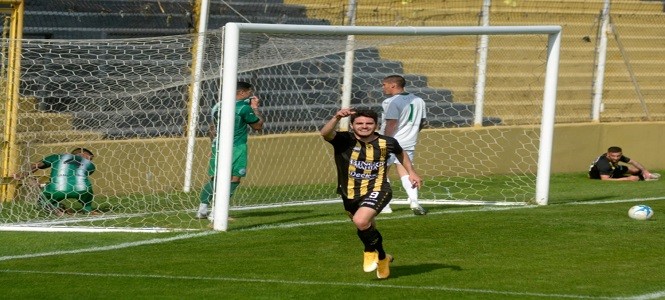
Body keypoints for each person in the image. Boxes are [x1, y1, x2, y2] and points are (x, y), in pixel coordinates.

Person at [320, 108, 423, 279]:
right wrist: (337, 117)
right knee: (367, 226)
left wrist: (411, 172)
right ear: (352, 125)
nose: (364, 126)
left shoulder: (387, 142)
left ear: (376, 125)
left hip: (378, 189)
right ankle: (384, 257)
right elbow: (325, 133)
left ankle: (375, 253)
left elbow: (400, 153)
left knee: (360, 220)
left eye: (369, 123)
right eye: (359, 123)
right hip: (350, 193)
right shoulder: (344, 140)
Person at [196, 81, 264, 219]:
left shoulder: (217, 106)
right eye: (249, 92)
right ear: (242, 92)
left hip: (218, 145)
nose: (251, 95)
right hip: (236, 147)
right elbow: (258, 126)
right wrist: (255, 107)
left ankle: (202, 209)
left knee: (216, 177)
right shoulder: (243, 108)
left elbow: (212, 128)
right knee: (234, 178)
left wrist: (214, 144)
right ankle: (217, 212)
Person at [379, 74, 428, 215]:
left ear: (393, 85)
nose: (383, 87)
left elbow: (391, 123)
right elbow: (422, 122)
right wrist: (411, 134)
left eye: (384, 85)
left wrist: (384, 141)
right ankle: (414, 201)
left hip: (391, 141)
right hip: (409, 141)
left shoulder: (391, 102)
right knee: (406, 172)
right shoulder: (419, 100)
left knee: (381, 173)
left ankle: (385, 205)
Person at [13, 147, 99, 216]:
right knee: (86, 188)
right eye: (90, 158)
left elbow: (36, 165)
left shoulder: (57, 156)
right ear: (87, 155)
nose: (90, 160)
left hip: (56, 190)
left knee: (43, 199)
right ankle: (87, 209)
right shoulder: (91, 166)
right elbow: (74, 177)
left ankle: (57, 210)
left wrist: (22, 175)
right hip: (83, 191)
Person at [588, 146, 660, 181]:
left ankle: (647, 175)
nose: (616, 158)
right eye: (613, 156)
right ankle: (643, 178)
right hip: (599, 175)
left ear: (621, 154)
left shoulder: (617, 157)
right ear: (608, 154)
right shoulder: (604, 164)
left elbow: (633, 162)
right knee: (634, 178)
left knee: (635, 170)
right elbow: (605, 179)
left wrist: (645, 171)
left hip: (613, 168)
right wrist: (627, 179)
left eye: (618, 156)